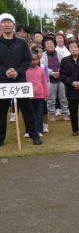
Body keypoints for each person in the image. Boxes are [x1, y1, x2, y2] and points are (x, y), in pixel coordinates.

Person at [0, 12, 41, 146]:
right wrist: (5, 71)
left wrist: (17, 72)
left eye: (9, 22)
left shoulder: (22, 43)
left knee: (27, 110)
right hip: (3, 81)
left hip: (20, 80)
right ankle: (1, 138)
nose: (7, 24)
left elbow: (27, 60)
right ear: (0, 25)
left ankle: (34, 135)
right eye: (4, 22)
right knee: (1, 111)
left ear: (14, 25)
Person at [42, 37, 70, 121]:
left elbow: (64, 64)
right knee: (51, 98)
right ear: (45, 46)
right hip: (50, 80)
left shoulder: (59, 54)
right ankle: (52, 114)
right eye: (47, 44)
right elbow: (44, 67)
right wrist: (52, 73)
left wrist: (59, 71)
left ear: (54, 45)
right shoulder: (43, 55)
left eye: (51, 43)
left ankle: (64, 113)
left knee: (63, 96)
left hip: (60, 78)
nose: (50, 45)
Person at [25, 51, 48, 138]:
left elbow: (44, 83)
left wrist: (46, 94)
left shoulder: (41, 70)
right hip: (29, 95)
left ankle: (39, 130)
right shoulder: (25, 70)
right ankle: (28, 131)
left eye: (35, 60)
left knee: (39, 114)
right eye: (32, 60)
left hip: (39, 95)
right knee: (29, 114)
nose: (34, 62)